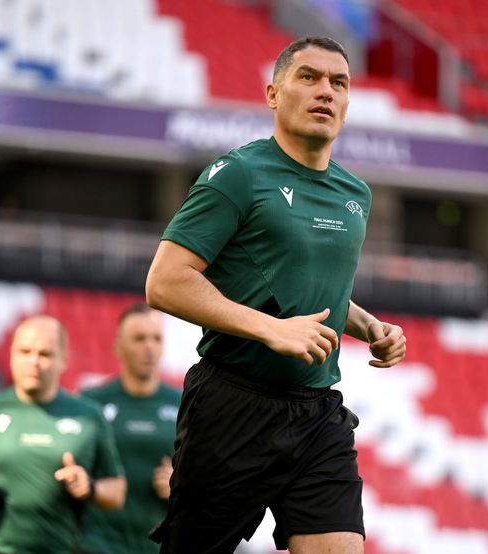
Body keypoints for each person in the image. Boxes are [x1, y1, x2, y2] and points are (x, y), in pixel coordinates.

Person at [144, 36, 406, 554]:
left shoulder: (356, 194)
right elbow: (165, 281)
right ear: (273, 93)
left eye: (339, 83)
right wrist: (271, 329)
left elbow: (317, 289)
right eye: (308, 77)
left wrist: (370, 327)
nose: (325, 91)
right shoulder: (238, 174)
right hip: (231, 406)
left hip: (318, 415)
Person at [0, 315, 126, 554]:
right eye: (24, 352)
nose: (33, 362)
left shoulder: (89, 415)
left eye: (44, 354)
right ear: (11, 355)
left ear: (64, 360)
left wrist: (88, 487)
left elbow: (117, 490)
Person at [81, 303, 182, 554]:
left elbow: (210, 480)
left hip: (159, 546)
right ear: (118, 347)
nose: (149, 347)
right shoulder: (90, 403)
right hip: (97, 545)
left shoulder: (184, 404)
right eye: (139, 338)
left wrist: (181, 486)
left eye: (156, 338)